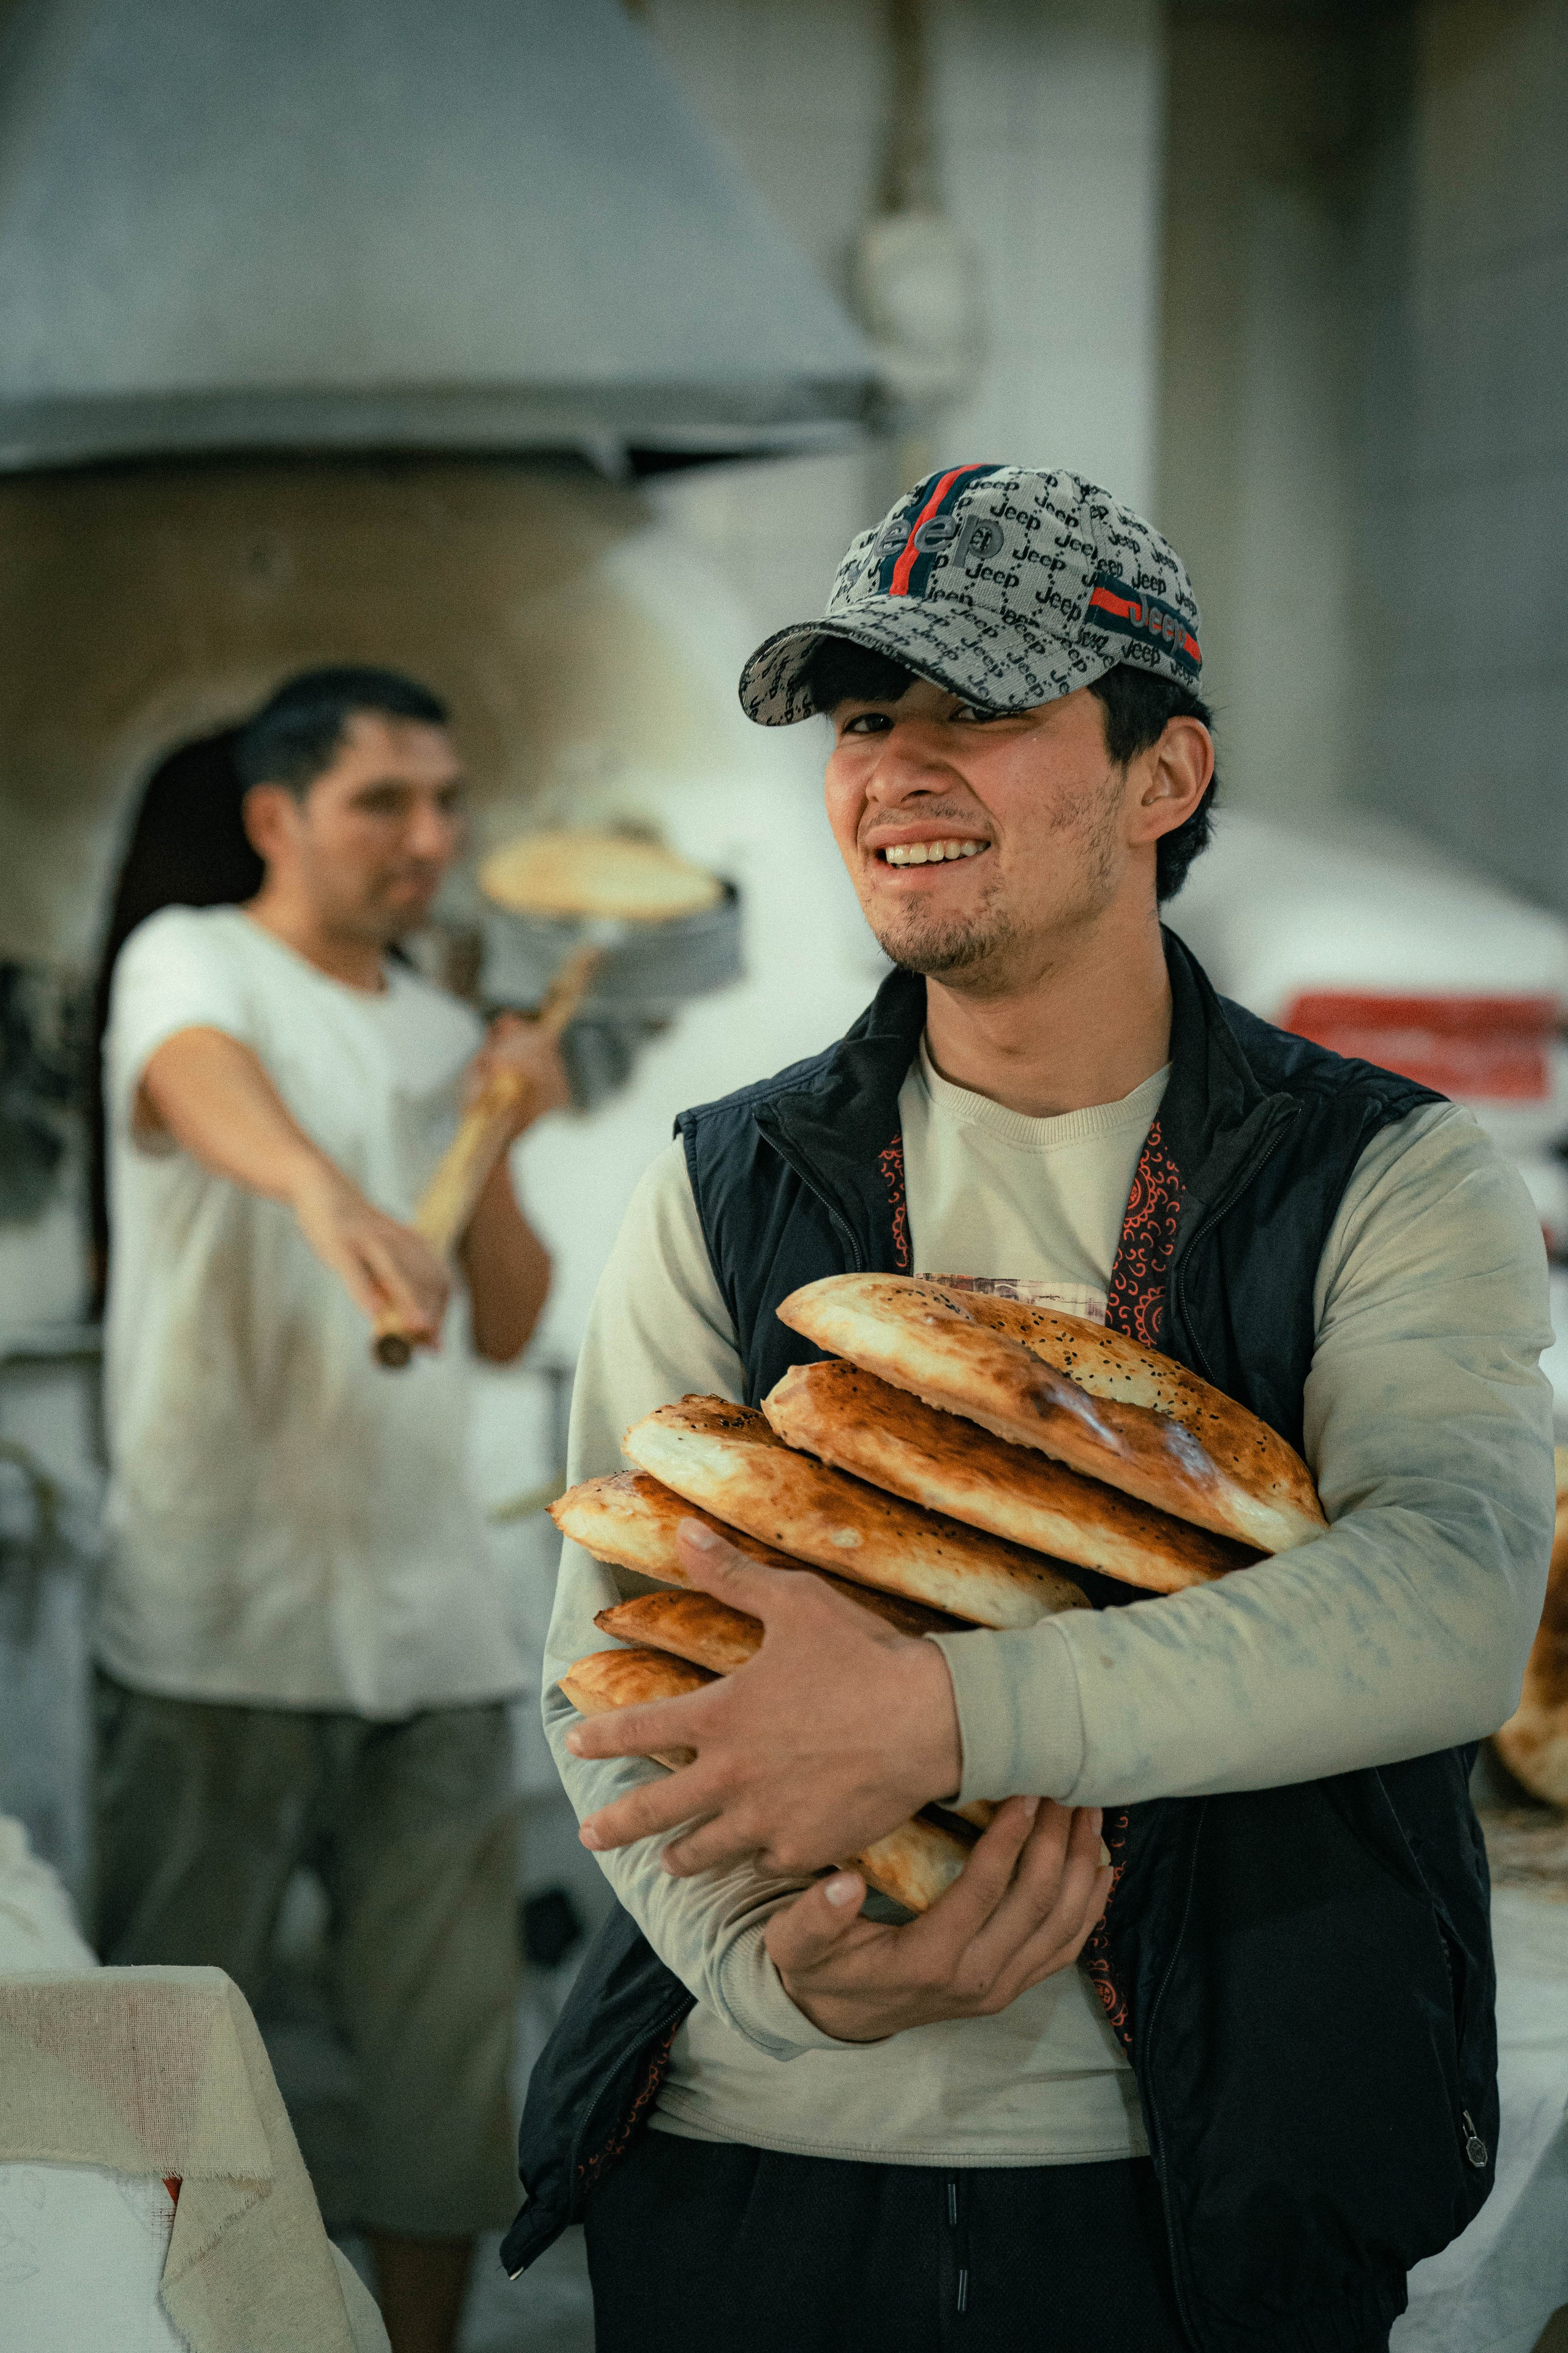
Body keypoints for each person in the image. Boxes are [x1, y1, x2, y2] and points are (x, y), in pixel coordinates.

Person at [516, 469, 1556, 2352]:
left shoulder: (1386, 1179)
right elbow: (609, 1664)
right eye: (861, 719)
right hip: (747, 2159)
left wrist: (939, 1711)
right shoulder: (723, 1182)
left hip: (1198, 2185)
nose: (892, 771)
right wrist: (773, 1974)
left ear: (1165, 776)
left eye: (976, 707)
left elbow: (1448, 1603)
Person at [94, 667, 568, 2353]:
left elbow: (506, 1320)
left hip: (429, 1626)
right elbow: (198, 1078)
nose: (429, 836)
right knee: (160, 2074)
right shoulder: (191, 961)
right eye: (384, 801)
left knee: (445, 2078)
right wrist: (318, 1189)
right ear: (276, 817)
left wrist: (501, 1130)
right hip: (213, 1618)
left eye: (445, 801)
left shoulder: (450, 1032)